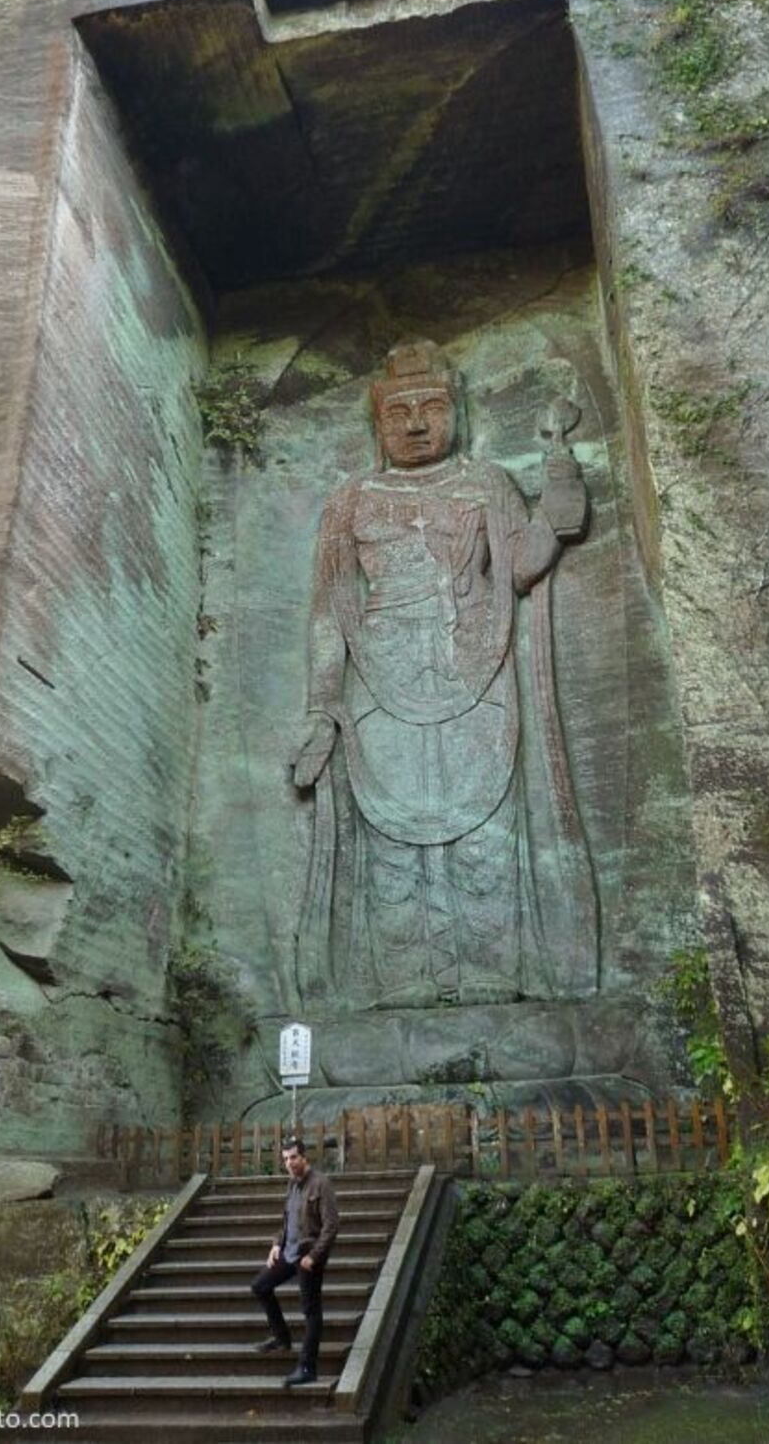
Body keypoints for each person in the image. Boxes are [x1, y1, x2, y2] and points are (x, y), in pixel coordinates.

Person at [291, 340, 596, 1009]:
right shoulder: (352, 500)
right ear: (378, 422)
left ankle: (493, 984)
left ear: (455, 410)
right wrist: (320, 708)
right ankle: (404, 988)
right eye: (399, 412)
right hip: (380, 681)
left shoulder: (484, 483)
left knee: (484, 833)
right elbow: (329, 613)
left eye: (432, 407)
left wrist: (558, 494)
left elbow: (518, 566)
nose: (417, 424)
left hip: (474, 673)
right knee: (394, 845)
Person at [250, 1136, 339, 1387]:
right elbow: (287, 1222)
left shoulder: (321, 1184)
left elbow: (331, 1226)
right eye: (286, 1159)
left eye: (293, 1158)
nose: (289, 1163)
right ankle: (281, 1337)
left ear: (304, 1157)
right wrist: (276, 1244)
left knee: (311, 1309)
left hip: (309, 1255)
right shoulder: (292, 1185)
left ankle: (307, 1367)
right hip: (288, 1252)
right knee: (260, 1286)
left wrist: (314, 1256)